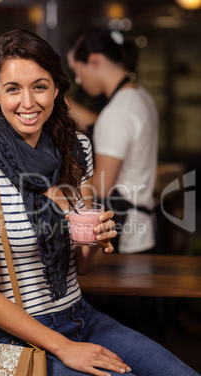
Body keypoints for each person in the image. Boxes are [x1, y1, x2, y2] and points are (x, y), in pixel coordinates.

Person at [0, 29, 201, 376]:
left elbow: (83, 266)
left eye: (40, 86)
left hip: (82, 316)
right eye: (13, 88)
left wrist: (97, 239)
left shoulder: (76, 148)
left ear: (56, 90)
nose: (27, 101)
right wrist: (63, 347)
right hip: (22, 341)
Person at [67, 27, 159, 254]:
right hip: (143, 229)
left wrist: (60, 191)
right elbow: (100, 124)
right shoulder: (138, 96)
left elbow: (102, 186)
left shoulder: (118, 112)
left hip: (127, 234)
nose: (79, 80)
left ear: (94, 61)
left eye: (77, 72)